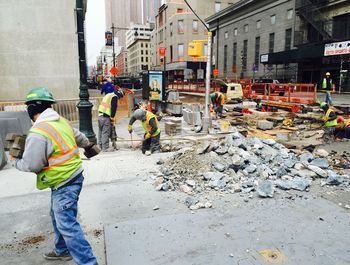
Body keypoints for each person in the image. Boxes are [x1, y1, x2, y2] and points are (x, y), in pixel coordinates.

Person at [10, 87, 98, 264]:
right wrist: (89, 146)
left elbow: (32, 165)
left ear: (31, 109)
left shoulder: (38, 132)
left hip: (63, 182)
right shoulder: (61, 121)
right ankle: (62, 249)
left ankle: (89, 262)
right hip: (74, 176)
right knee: (57, 214)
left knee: (67, 225)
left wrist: (14, 161)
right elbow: (80, 137)